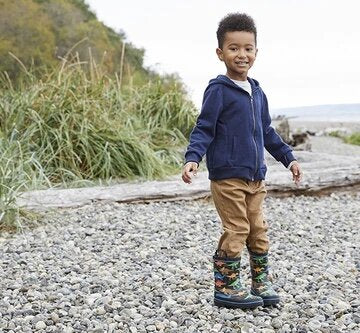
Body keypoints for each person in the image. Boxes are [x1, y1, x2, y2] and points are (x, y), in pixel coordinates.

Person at [182, 13, 302, 309]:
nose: (242, 54)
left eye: (248, 48)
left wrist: (289, 158)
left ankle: (260, 281)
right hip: (227, 177)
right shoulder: (218, 90)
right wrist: (193, 158)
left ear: (256, 52)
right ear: (220, 53)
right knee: (236, 228)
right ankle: (225, 287)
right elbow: (204, 128)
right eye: (234, 48)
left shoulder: (257, 91)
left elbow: (267, 132)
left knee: (258, 229)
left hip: (255, 178)